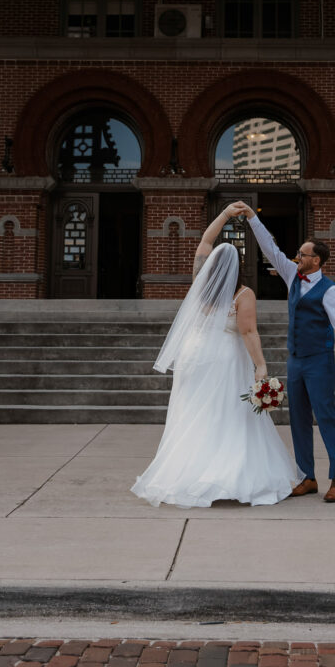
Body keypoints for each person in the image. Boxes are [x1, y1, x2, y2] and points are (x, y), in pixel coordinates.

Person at [130, 205, 302, 508]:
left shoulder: (200, 282)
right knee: (226, 414)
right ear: (238, 267)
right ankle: (226, 475)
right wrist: (260, 366)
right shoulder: (243, 294)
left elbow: (204, 243)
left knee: (194, 413)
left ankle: (187, 472)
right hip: (224, 358)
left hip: (193, 355)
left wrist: (223, 215)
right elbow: (248, 333)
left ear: (211, 265)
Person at [230, 202, 335, 504]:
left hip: (319, 361)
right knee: (299, 419)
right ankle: (307, 477)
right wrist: (252, 217)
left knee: (326, 418)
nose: (296, 257)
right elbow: (270, 248)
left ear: (316, 260)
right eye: (298, 253)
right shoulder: (292, 276)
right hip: (295, 361)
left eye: (302, 254)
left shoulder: (328, 290)